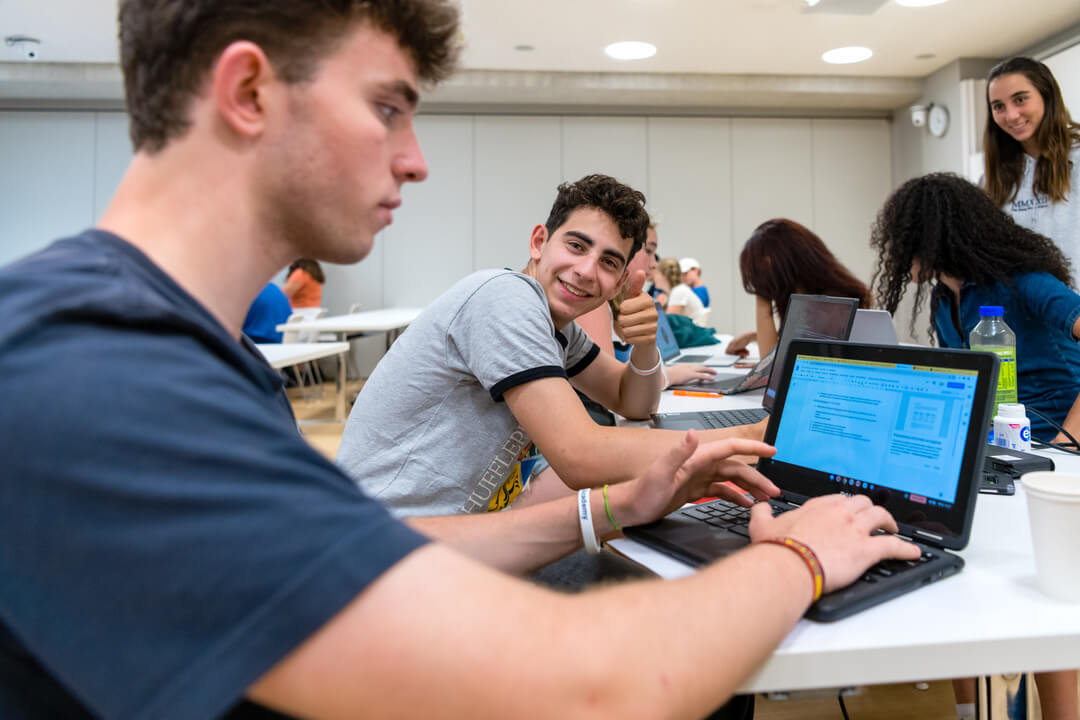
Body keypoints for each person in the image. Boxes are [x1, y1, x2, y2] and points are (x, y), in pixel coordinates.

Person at [0, 2, 922, 718]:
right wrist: (796, 556)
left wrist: (614, 506)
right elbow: (594, 686)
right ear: (248, 93)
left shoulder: (190, 360)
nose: (415, 160)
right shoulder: (99, 382)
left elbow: (376, 548)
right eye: (387, 108)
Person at [338, 174, 767, 517]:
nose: (585, 270)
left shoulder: (557, 326)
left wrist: (643, 346)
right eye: (577, 246)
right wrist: (751, 437)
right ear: (540, 242)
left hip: (445, 538)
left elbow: (630, 402)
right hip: (381, 546)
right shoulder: (505, 296)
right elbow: (579, 456)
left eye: (608, 262)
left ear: (618, 283)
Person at [871, 174, 1080, 720]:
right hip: (998, 446)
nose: (897, 253)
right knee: (951, 558)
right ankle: (971, 712)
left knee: (1034, 587)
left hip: (1052, 449)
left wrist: (1066, 439)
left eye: (905, 239)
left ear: (935, 234)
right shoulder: (947, 296)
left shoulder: (1023, 281)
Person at [576, 223, 716, 390]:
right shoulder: (594, 304)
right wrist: (669, 375)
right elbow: (608, 387)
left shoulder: (629, 301)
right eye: (648, 251)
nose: (654, 264)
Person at [983, 56, 1080, 269]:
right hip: (1020, 300)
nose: (1011, 115)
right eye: (998, 106)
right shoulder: (990, 178)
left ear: (1047, 96)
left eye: (1020, 100)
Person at [725, 218, 871, 358]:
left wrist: (761, 295)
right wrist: (754, 336)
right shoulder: (798, 294)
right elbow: (794, 345)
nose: (762, 274)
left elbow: (774, 366)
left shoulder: (834, 301)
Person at [667, 257, 708, 326]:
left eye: (685, 273)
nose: (682, 277)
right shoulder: (692, 290)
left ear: (696, 270)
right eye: (681, 274)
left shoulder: (699, 292)